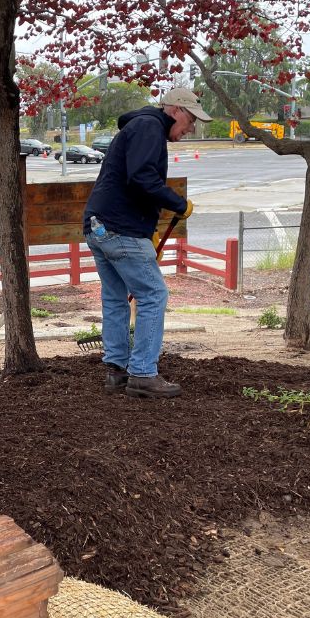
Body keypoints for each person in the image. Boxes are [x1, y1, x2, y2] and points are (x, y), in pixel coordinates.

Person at [82, 87, 210, 399]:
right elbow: (142, 178)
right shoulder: (150, 127)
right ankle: (142, 373)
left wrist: (147, 230)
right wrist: (178, 203)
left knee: (114, 298)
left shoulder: (139, 127)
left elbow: (132, 180)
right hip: (118, 227)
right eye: (191, 120)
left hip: (99, 225)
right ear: (176, 110)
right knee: (153, 294)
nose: (191, 127)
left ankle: (117, 371)